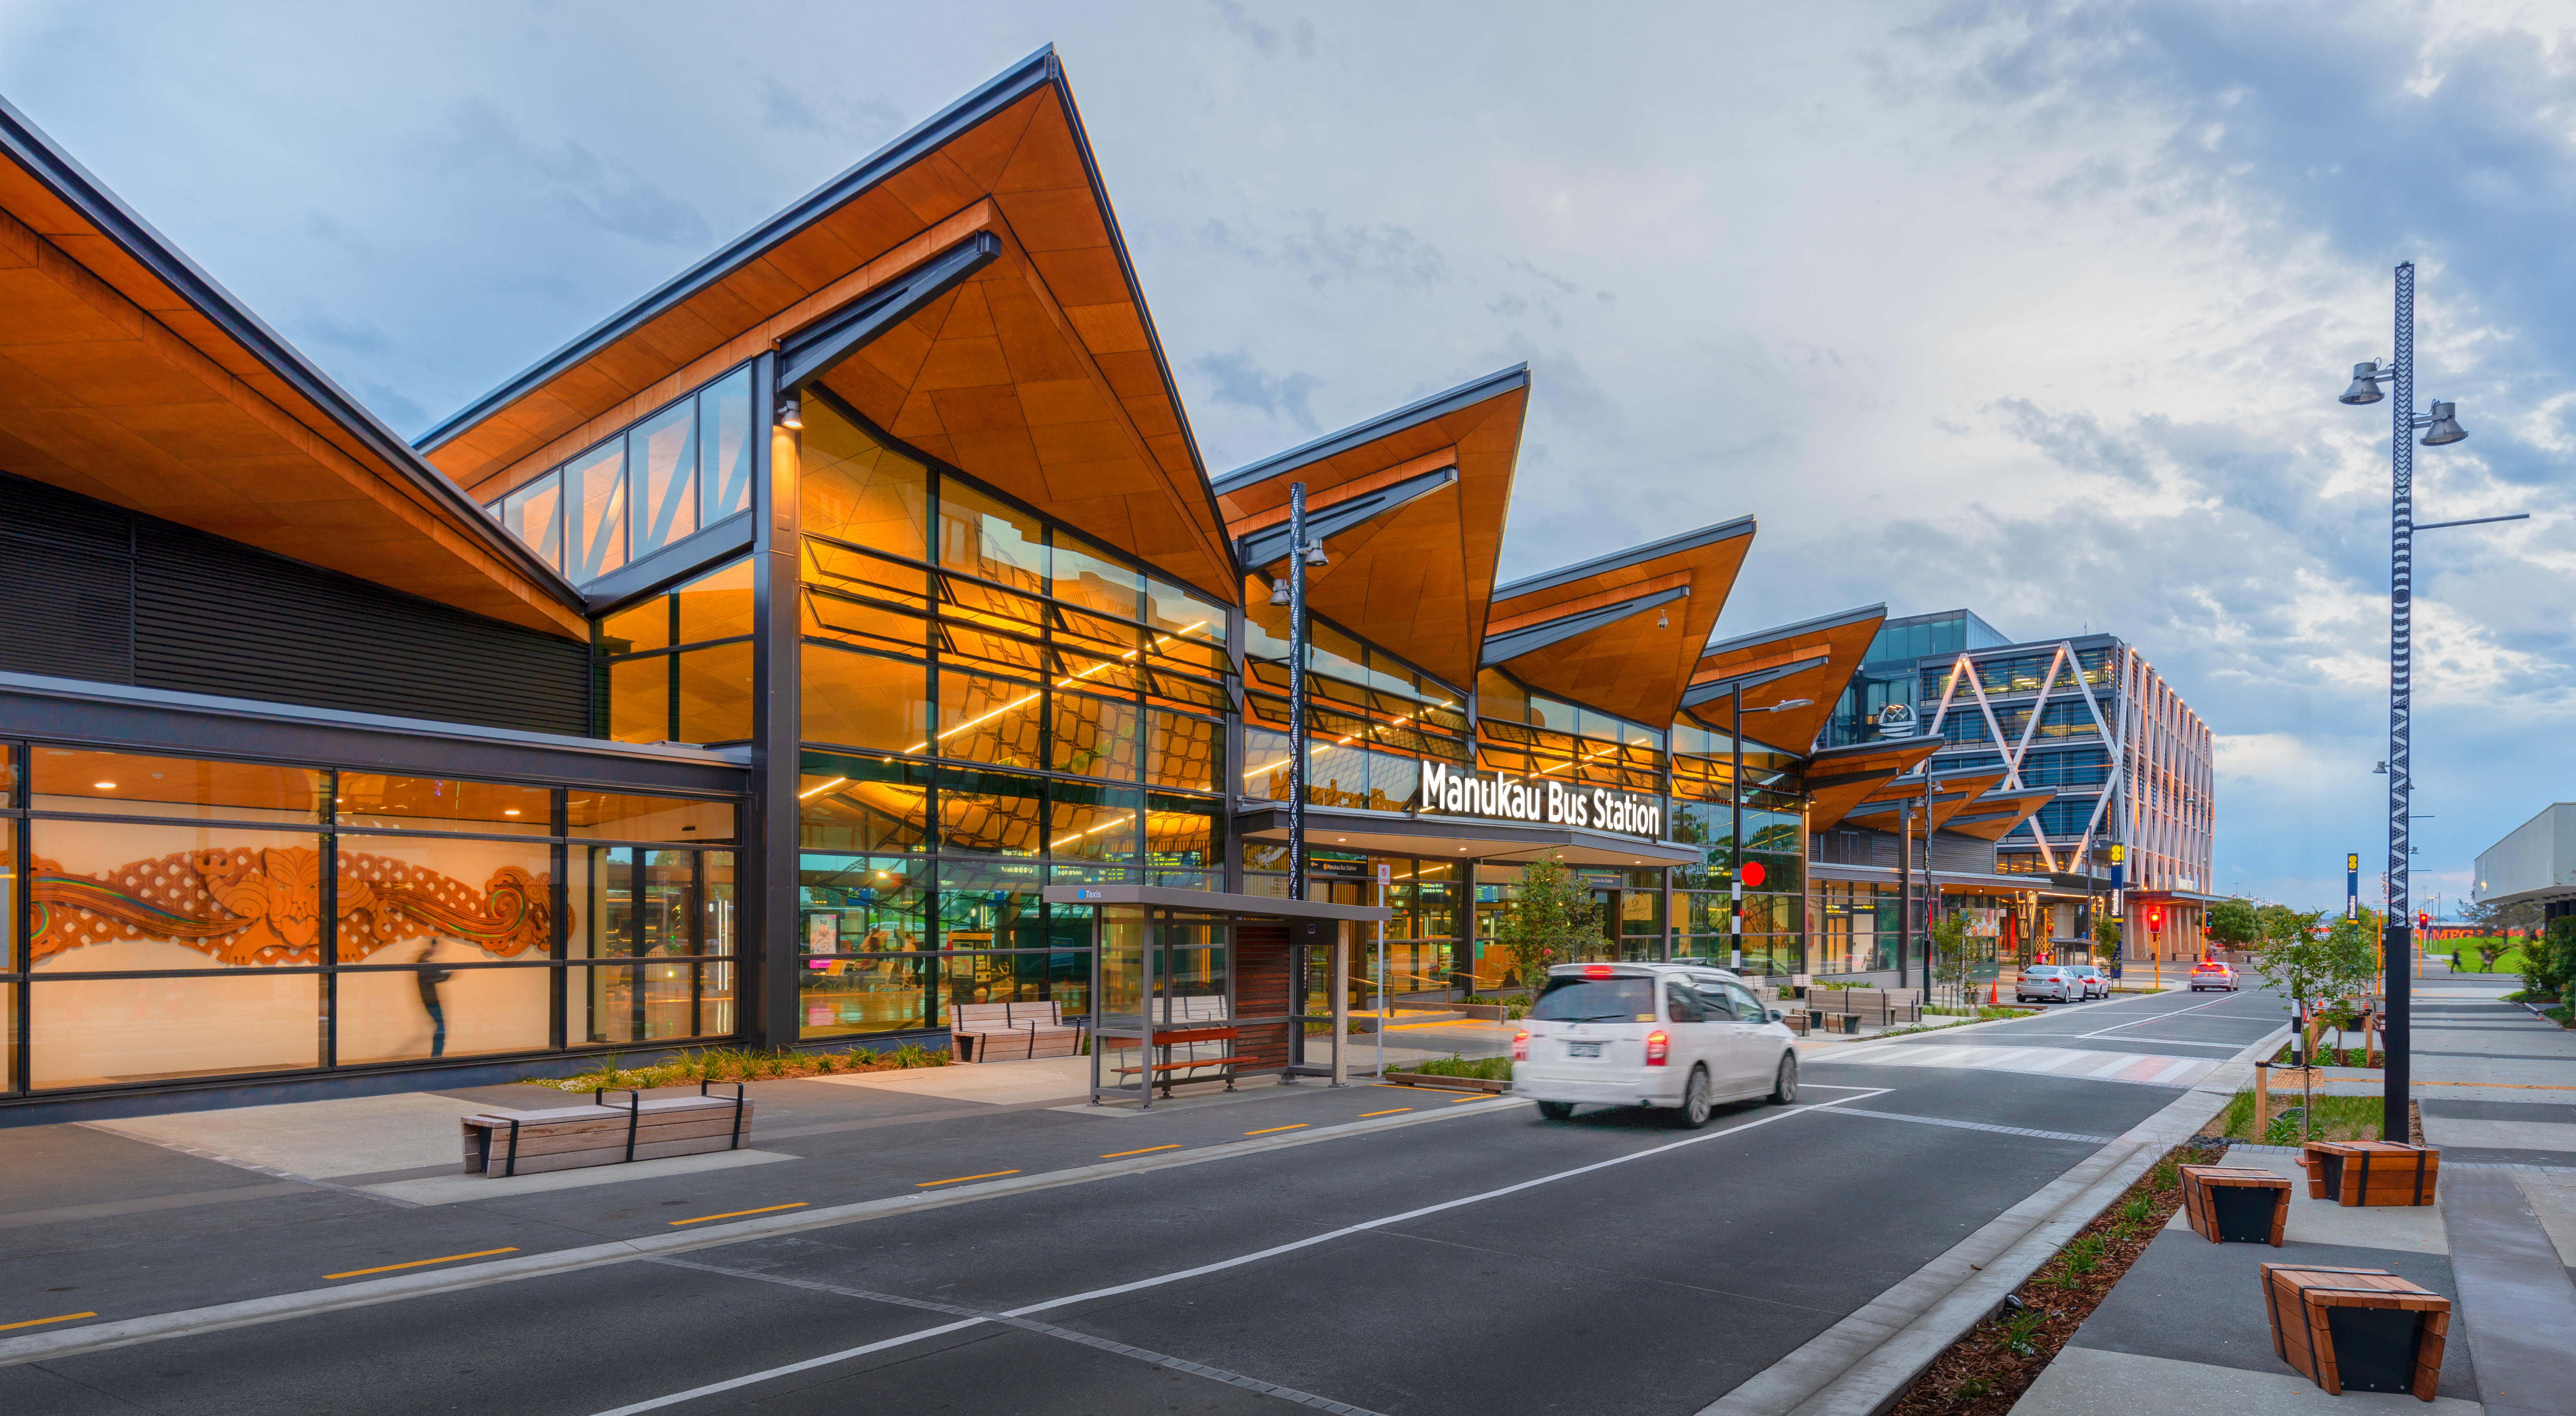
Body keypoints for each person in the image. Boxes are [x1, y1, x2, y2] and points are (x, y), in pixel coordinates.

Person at [415, 937, 455, 1058]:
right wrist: (448, 975)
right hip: (431, 1002)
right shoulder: (424, 964)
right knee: (441, 1029)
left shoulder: (423, 963)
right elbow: (437, 975)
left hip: (430, 1001)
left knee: (440, 1028)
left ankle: (436, 1056)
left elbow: (437, 976)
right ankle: (436, 1057)